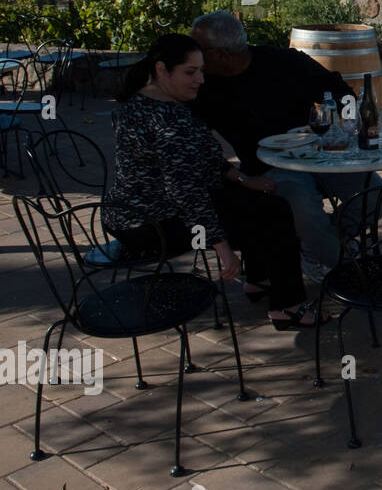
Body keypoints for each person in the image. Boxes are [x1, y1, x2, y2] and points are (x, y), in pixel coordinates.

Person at [104, 34, 312, 328]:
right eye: (190, 72)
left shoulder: (146, 101)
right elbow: (186, 193)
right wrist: (222, 248)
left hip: (129, 213)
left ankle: (260, 280)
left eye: (201, 71)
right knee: (273, 213)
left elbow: (201, 158)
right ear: (162, 70)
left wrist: (240, 178)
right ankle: (289, 307)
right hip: (150, 224)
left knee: (258, 201)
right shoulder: (166, 122)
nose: (200, 79)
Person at [189, 11, 382, 281]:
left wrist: (345, 129)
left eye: (198, 49)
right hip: (267, 166)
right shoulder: (204, 86)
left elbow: (341, 92)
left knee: (376, 196)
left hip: (315, 154)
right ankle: (356, 276)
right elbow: (193, 143)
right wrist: (240, 176)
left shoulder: (283, 62)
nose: (193, 55)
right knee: (304, 209)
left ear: (221, 53)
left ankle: (314, 247)